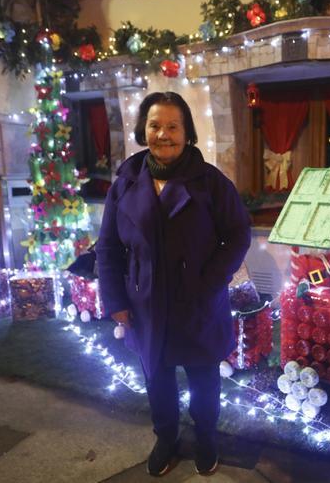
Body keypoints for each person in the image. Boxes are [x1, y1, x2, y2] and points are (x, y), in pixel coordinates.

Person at [96, 92, 251, 476]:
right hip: (145, 303)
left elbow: (238, 234)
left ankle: (206, 438)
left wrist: (212, 281)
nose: (162, 134)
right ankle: (166, 438)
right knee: (157, 378)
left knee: (203, 378)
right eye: (154, 125)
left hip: (198, 300)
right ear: (142, 129)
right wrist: (115, 297)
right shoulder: (126, 183)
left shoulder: (210, 182)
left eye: (172, 126)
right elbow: (108, 246)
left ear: (187, 132)